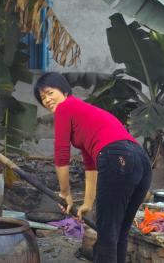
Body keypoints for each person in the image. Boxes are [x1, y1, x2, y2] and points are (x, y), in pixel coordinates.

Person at [33, 72, 152, 263]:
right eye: (42, 98)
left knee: (106, 236)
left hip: (117, 158)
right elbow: (91, 166)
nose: (46, 100)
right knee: (118, 233)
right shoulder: (85, 114)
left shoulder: (65, 108)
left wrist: (65, 193)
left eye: (49, 93)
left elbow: (61, 152)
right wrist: (87, 203)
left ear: (64, 90)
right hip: (141, 161)